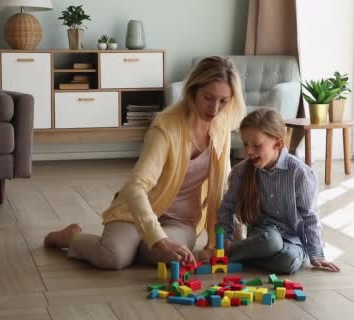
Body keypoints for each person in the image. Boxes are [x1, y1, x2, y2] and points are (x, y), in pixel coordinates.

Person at [44, 56, 246, 269]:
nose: (215, 109)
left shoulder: (221, 128)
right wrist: (159, 240)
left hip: (181, 221)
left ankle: (136, 245)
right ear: (193, 91)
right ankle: (71, 238)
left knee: (170, 257)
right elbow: (135, 187)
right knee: (112, 258)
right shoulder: (165, 128)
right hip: (135, 211)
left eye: (223, 101)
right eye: (208, 97)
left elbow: (223, 188)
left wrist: (223, 240)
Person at [214, 108, 340, 274]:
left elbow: (310, 216)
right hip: (264, 236)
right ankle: (237, 253)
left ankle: (241, 255)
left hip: (292, 240)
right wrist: (225, 241)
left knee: (289, 262)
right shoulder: (242, 172)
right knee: (271, 242)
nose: (248, 151)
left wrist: (316, 255)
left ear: (278, 143)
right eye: (245, 144)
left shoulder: (300, 173)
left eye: (256, 145)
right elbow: (227, 207)